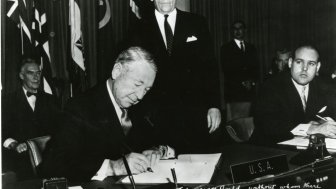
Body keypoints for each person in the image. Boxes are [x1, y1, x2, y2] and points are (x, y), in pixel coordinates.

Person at [38, 47, 174, 181]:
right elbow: (53, 165)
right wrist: (112, 167)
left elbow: (153, 140)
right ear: (117, 71)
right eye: (137, 84)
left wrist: (156, 150)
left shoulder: (137, 106)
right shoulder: (80, 107)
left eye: (146, 90)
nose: (140, 96)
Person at [127, 0, 222, 152]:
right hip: (156, 118)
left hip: (194, 114)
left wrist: (214, 105)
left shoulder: (197, 22)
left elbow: (210, 68)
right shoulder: (139, 27)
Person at [251, 45, 336, 145]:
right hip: (269, 149)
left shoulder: (325, 86)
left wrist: (326, 122)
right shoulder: (271, 86)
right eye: (299, 62)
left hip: (306, 148)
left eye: (311, 64)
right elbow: (268, 124)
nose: (304, 68)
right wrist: (310, 128)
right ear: (290, 63)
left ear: (318, 67)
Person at [2, 57, 61, 180]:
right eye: (31, 73)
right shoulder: (6, 102)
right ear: (22, 76)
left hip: (49, 163)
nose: (36, 77)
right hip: (19, 163)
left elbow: (60, 129)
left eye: (38, 73)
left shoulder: (51, 100)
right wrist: (13, 144)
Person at [220, 20, 259, 120]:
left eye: (240, 28)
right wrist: (243, 81)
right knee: (235, 126)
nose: (237, 31)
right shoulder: (226, 48)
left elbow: (256, 68)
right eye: (235, 29)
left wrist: (251, 81)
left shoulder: (252, 48)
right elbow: (227, 69)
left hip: (250, 93)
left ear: (244, 30)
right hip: (234, 93)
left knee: (249, 124)